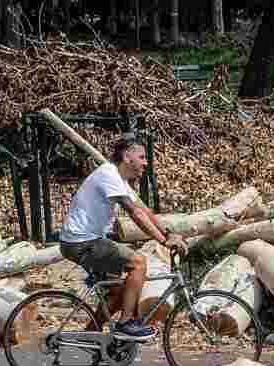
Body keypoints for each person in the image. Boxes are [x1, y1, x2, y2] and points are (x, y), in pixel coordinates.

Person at [59, 135, 188, 342]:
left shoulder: (119, 179)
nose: (146, 162)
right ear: (128, 157)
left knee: (121, 290)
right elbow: (133, 213)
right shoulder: (109, 174)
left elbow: (144, 210)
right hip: (81, 243)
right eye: (142, 157)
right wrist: (163, 242)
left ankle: (90, 333)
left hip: (87, 240)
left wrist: (168, 233)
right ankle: (126, 324)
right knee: (138, 263)